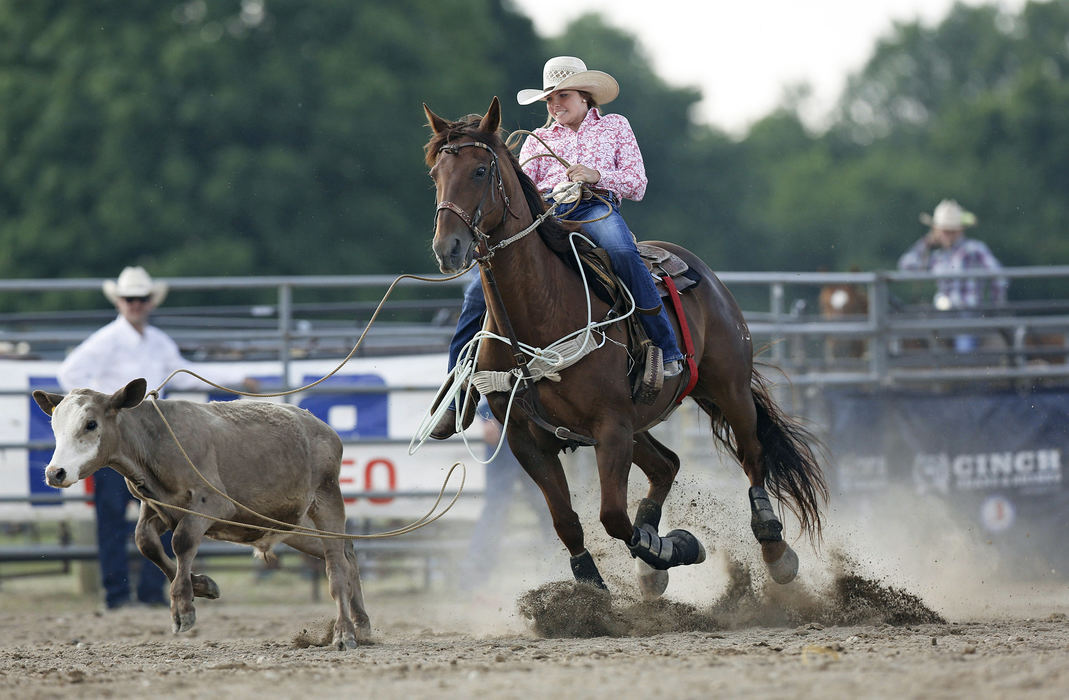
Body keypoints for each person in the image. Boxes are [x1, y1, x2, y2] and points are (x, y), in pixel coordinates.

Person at [432, 56, 683, 438]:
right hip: (546, 218)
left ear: (586, 97)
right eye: (549, 99)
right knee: (478, 293)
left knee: (621, 252)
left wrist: (596, 175)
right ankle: (457, 392)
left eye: (562, 96)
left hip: (595, 208)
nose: (554, 105)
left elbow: (637, 183)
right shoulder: (537, 141)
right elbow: (517, 193)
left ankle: (666, 347)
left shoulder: (615, 127)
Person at [57, 265, 260, 609]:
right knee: (114, 517)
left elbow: (186, 374)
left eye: (141, 298)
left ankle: (150, 592)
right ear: (121, 302)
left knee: (161, 515)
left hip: (150, 442)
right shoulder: (107, 341)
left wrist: (237, 377)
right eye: (130, 299)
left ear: (149, 302)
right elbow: (69, 373)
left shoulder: (157, 342)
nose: (136, 304)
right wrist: (103, 407)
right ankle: (117, 595)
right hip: (114, 442)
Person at [456, 400, 555, 592]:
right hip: (506, 422)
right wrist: (487, 415)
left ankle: (559, 566)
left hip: (530, 422)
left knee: (548, 504)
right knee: (499, 507)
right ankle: (475, 578)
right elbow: (476, 377)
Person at [897, 199, 1008, 352]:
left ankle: (963, 371)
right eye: (944, 230)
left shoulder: (974, 249)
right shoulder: (937, 256)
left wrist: (996, 306)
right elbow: (905, 265)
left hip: (967, 313)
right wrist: (926, 243)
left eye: (951, 230)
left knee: (964, 347)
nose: (947, 235)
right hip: (940, 314)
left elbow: (999, 275)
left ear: (960, 230)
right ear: (936, 231)